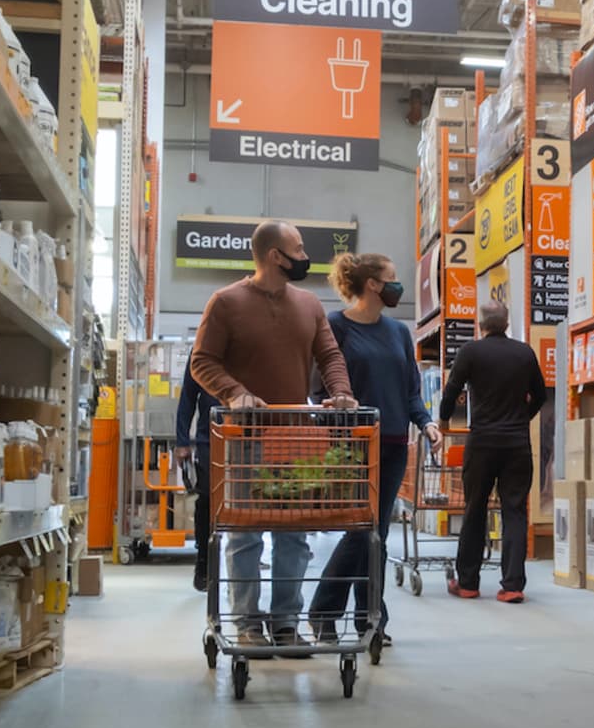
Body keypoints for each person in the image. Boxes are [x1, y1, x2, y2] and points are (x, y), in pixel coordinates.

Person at [191, 220, 356, 652]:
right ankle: (246, 622)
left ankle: (285, 621)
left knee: (294, 533)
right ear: (273, 256)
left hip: (296, 439)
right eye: (298, 248)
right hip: (244, 438)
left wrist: (340, 392)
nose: (305, 256)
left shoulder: (309, 304)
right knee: (245, 534)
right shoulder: (226, 302)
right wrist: (236, 393)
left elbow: (330, 355)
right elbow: (202, 362)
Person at [309, 253, 442, 649]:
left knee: (375, 532)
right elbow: (319, 389)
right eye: (392, 279)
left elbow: (410, 392)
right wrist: (338, 420)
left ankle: (365, 617)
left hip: (395, 444)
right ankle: (342, 613)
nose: (397, 287)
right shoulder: (335, 327)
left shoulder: (399, 332)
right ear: (371, 284)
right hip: (352, 445)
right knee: (364, 529)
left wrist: (427, 422)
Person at [439, 300, 546, 603]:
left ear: (480, 323)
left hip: (482, 441)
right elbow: (539, 394)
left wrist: (444, 421)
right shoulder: (524, 352)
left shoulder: (470, 352)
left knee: (475, 508)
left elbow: (452, 391)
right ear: (507, 321)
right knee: (514, 510)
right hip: (516, 444)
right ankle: (513, 585)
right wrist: (521, 418)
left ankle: (469, 582)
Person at [174, 357, 219, 594]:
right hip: (209, 440)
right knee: (207, 501)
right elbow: (188, 397)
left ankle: (241, 562)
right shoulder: (203, 349)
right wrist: (182, 441)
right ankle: (204, 562)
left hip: (245, 436)